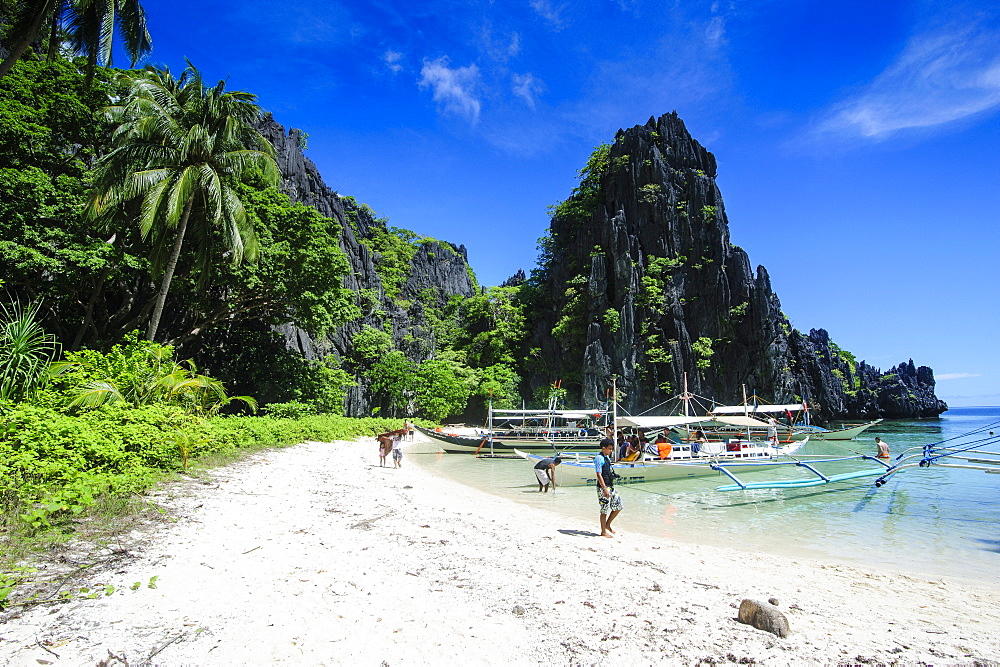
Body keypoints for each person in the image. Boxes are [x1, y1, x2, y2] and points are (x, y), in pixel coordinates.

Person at [595, 438, 622, 538]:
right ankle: (603, 532)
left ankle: (607, 524)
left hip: (611, 486)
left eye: (612, 449)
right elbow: (599, 474)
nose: (611, 451)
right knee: (604, 509)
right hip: (603, 488)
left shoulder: (607, 458)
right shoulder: (599, 458)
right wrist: (605, 488)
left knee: (619, 505)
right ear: (603, 448)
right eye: (609, 449)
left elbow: (607, 471)